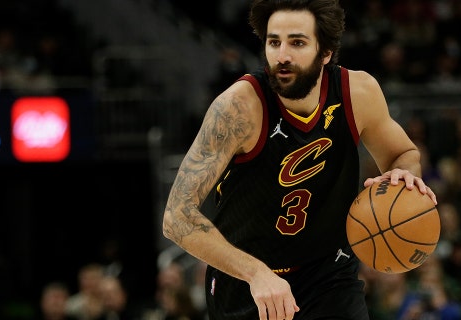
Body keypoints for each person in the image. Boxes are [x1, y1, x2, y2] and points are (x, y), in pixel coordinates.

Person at [161, 1, 436, 319]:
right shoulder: (238, 109)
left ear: (326, 52)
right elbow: (176, 218)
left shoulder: (357, 93)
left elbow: (403, 153)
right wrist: (255, 273)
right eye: (274, 42)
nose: (282, 56)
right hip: (246, 281)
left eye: (297, 42)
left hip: (329, 274)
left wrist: (403, 175)